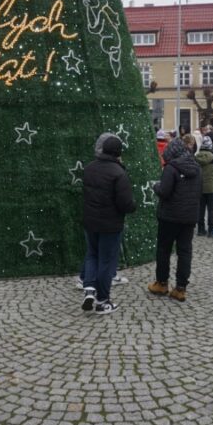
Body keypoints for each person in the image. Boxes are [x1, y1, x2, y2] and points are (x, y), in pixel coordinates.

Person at [80, 133, 136, 315]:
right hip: (110, 224)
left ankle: (89, 290)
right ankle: (102, 300)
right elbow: (126, 203)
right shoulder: (119, 173)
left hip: (90, 221)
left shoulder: (88, 168)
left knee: (91, 255)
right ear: (118, 152)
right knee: (106, 260)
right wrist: (133, 206)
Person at [147, 137, 201, 302]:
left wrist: (155, 186)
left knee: (164, 250)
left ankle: (162, 283)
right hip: (189, 217)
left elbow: (164, 191)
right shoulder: (197, 167)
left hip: (170, 217)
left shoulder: (171, 168)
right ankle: (180, 288)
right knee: (185, 252)